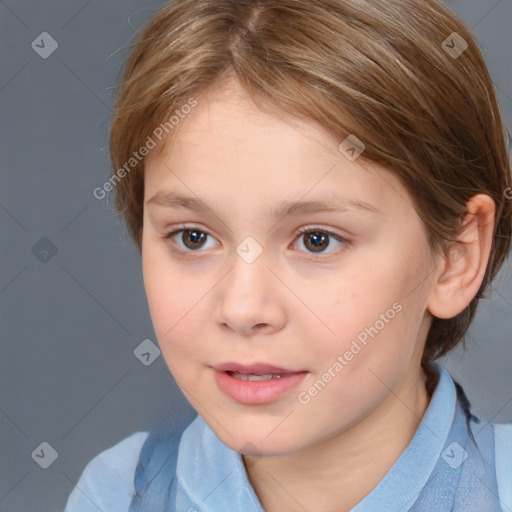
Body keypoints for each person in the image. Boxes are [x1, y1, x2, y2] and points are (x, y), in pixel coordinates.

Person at [64, 0, 512, 510]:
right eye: (193, 237)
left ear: (455, 255)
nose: (242, 308)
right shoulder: (118, 494)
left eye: (317, 240)